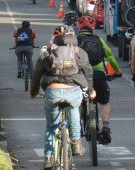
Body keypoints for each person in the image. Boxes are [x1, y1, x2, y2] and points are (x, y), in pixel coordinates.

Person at [29, 27, 96, 170]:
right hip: (72, 91)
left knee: (51, 126)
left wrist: (33, 92)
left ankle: (48, 158)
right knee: (74, 109)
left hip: (52, 91)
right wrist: (91, 90)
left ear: (55, 38)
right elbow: (88, 72)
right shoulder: (79, 52)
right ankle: (77, 142)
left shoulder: (47, 52)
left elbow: (36, 74)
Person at [76, 16, 122, 144]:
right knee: (104, 102)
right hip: (98, 75)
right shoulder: (99, 40)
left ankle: (78, 125)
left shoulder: (75, 41)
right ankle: (105, 126)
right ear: (92, 28)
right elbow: (111, 58)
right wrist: (118, 72)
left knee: (78, 100)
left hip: (82, 75)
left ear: (79, 28)